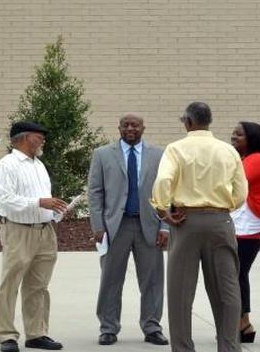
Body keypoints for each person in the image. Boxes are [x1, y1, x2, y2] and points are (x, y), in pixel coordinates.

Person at [151, 102, 247, 352]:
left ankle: (183, 348)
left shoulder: (176, 149)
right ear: (209, 121)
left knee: (180, 292)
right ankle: (229, 347)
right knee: (227, 290)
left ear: (188, 122)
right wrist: (226, 207)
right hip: (220, 221)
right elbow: (241, 191)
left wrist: (163, 209)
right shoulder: (228, 150)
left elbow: (163, 179)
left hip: (186, 221)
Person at [87, 113, 169, 346]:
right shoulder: (102, 154)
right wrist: (98, 225)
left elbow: (166, 192)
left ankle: (152, 327)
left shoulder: (159, 155)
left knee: (153, 280)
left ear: (144, 128)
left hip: (149, 226)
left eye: (135, 125)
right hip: (115, 227)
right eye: (125, 125)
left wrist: (165, 227)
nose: (130, 128)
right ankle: (108, 328)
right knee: (111, 280)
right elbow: (95, 192)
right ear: (119, 128)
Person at [0, 121, 67, 352]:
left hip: (45, 231)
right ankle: (6, 335)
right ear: (24, 138)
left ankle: (36, 334)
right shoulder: (7, 165)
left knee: (39, 285)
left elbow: (42, 198)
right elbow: (5, 199)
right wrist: (39, 202)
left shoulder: (38, 165)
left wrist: (55, 209)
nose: (43, 140)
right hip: (18, 231)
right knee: (10, 283)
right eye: (39, 136)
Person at [229, 121, 260, 344]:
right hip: (240, 222)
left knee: (237, 273)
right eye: (233, 133)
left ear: (253, 138)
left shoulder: (257, 159)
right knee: (237, 273)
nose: (234, 136)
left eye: (239, 134)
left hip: (248, 224)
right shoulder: (245, 159)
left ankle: (243, 322)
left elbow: (231, 183)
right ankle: (241, 323)